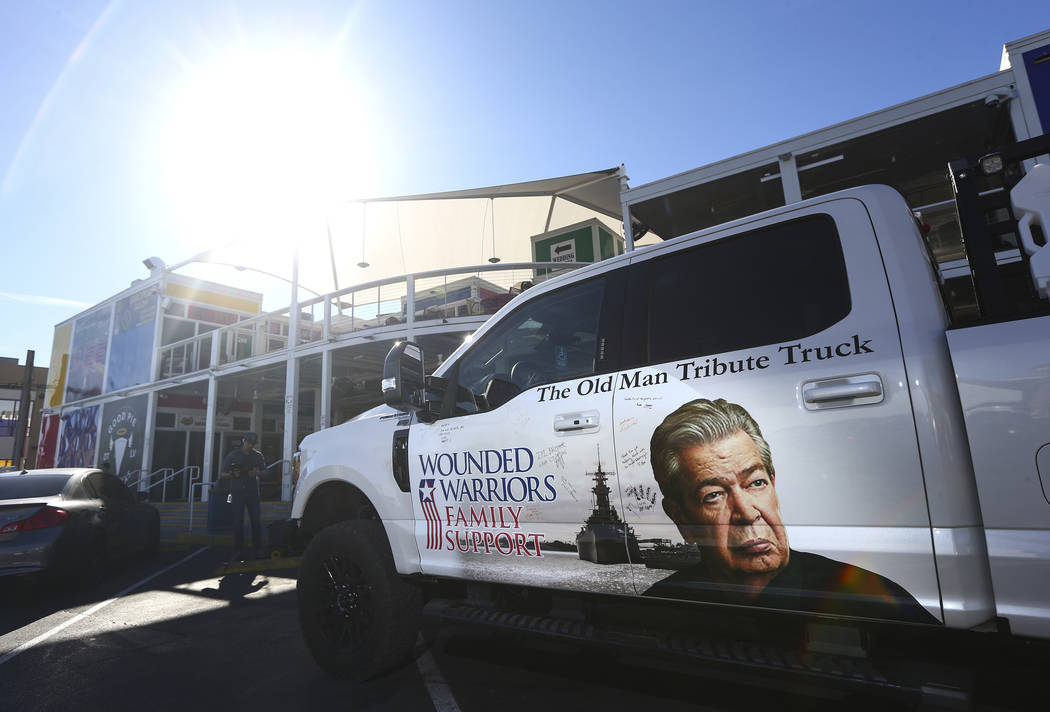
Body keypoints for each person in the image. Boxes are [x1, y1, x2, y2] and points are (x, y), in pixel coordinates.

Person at [644, 398, 939, 624]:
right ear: (680, 517)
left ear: (773, 484)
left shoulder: (872, 601)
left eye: (756, 483)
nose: (747, 512)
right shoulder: (660, 609)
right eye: (714, 495)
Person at [220, 432, 265, 561]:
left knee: (256, 521)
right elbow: (222, 474)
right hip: (237, 492)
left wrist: (257, 473)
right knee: (237, 522)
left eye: (252, 443)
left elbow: (266, 472)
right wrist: (233, 475)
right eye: (248, 442)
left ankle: (258, 549)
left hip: (252, 493)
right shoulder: (233, 455)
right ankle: (237, 550)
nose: (250, 445)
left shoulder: (257, 456)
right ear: (243, 441)